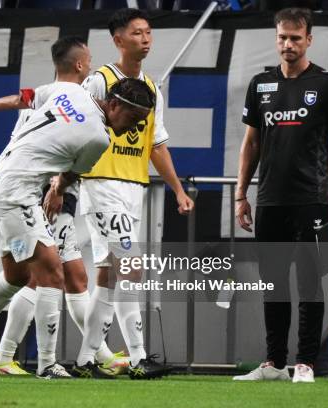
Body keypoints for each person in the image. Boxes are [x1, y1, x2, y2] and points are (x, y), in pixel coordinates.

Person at [0, 70, 156, 379]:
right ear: (113, 104)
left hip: (0, 181)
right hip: (17, 194)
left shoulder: (70, 91)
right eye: (132, 117)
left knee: (16, 276)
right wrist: (57, 190)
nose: (134, 126)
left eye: (141, 121)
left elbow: (24, 99)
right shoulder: (99, 138)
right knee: (53, 271)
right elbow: (70, 174)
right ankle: (46, 365)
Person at [68, 8, 193, 380]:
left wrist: (178, 189)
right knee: (132, 267)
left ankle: (85, 360)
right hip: (102, 182)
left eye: (149, 32)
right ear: (118, 39)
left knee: (108, 275)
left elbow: (156, 145)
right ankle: (138, 359)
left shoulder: (152, 88)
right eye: (137, 33)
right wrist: (65, 180)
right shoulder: (99, 80)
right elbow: (79, 130)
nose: (146, 38)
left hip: (132, 188)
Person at [233, 8, 328, 383]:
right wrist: (241, 194)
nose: (288, 44)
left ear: (309, 40)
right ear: (276, 38)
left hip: (313, 199)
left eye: (296, 38)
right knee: (273, 284)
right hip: (270, 199)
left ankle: (305, 363)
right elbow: (250, 143)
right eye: (283, 37)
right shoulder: (261, 85)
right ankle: (273, 363)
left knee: (309, 283)